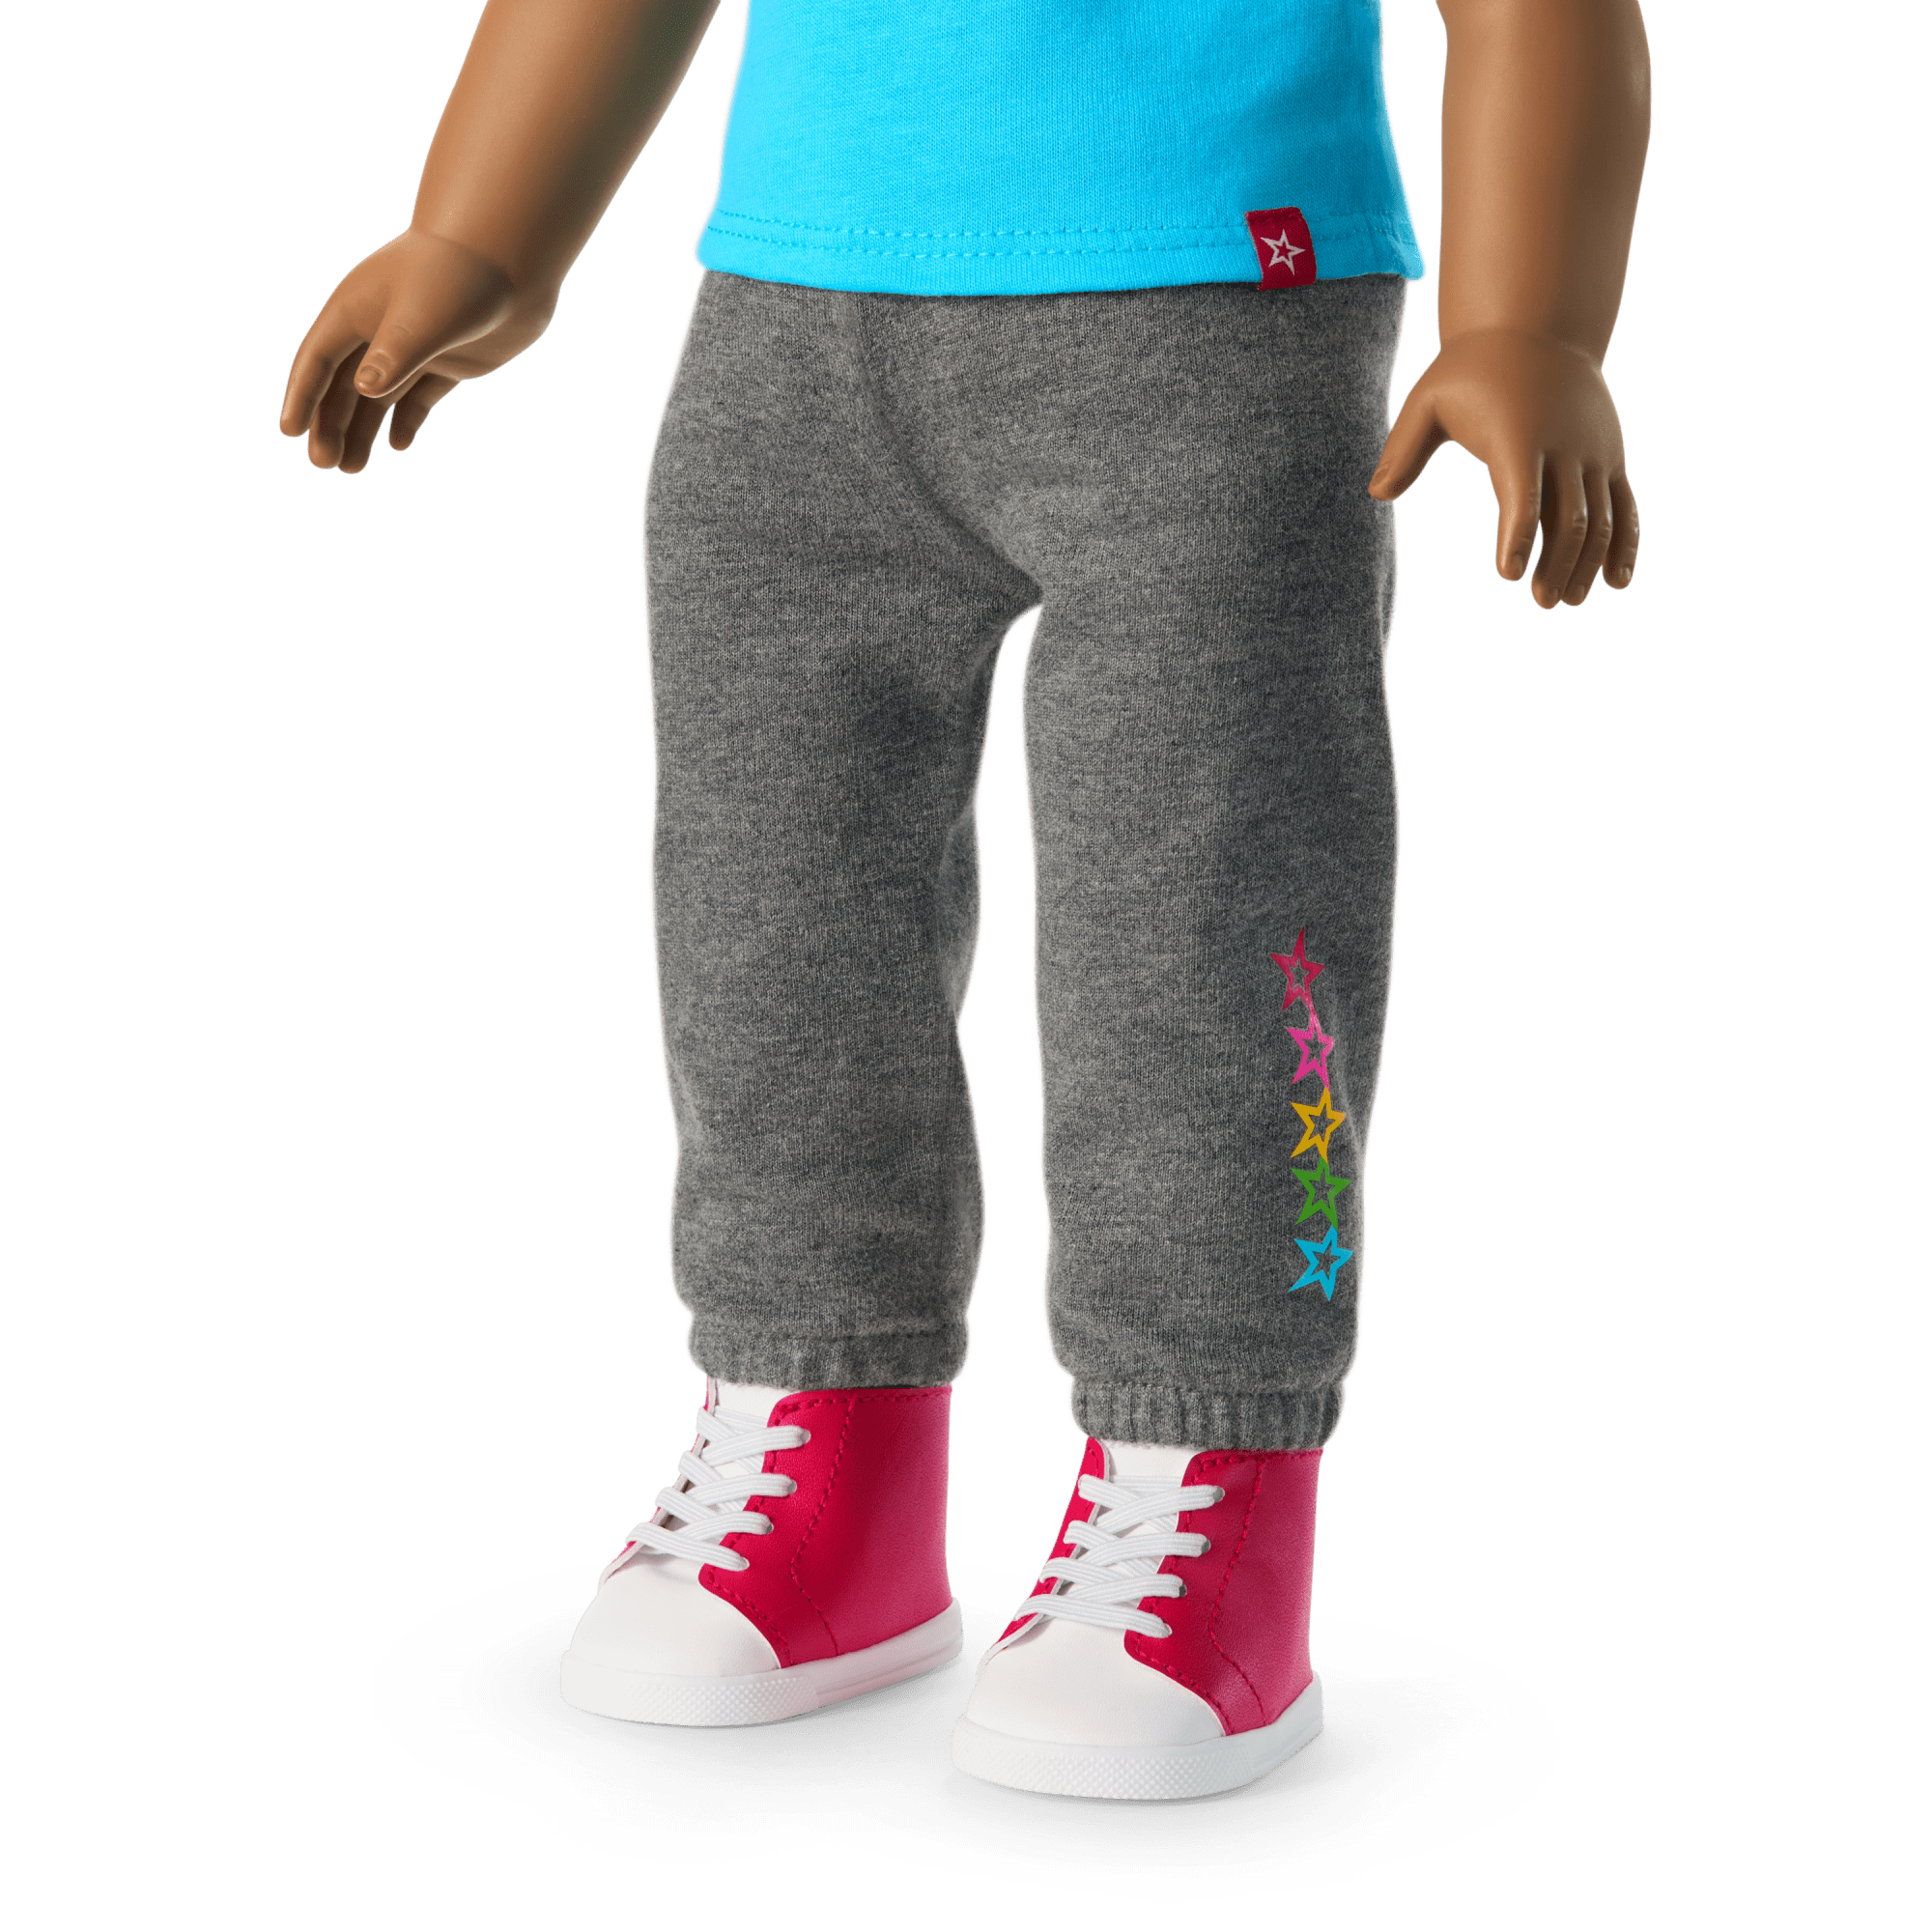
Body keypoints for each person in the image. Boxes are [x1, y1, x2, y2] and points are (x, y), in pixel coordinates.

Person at [280, 0, 1651, 1802]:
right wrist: (480, 233)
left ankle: (1205, 1480)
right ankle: (815, 1445)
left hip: (1212, 304)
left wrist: (1530, 323)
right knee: (770, 920)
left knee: (1207, 926)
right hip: (785, 318)